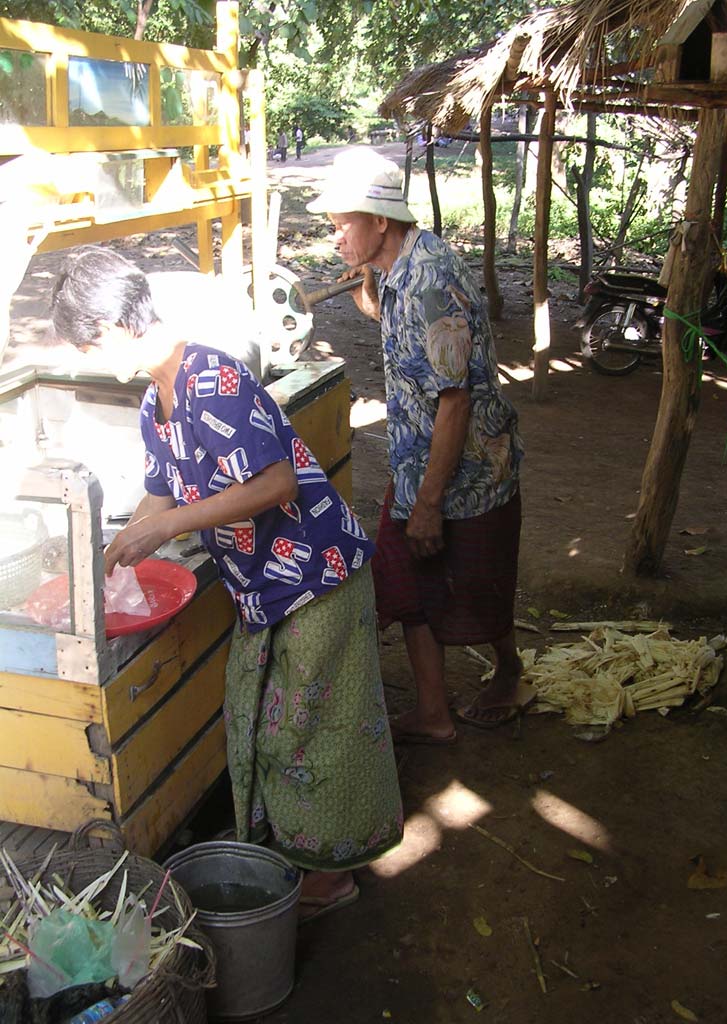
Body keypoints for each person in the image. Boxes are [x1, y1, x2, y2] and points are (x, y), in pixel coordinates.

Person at [50, 247, 403, 919]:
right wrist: (112, 552)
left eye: (88, 341)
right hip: (264, 590)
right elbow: (160, 491)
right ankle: (290, 850)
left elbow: (276, 483)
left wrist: (168, 525)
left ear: (118, 325)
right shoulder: (156, 401)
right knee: (268, 722)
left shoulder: (215, 378)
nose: (88, 356)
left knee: (314, 731)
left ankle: (332, 875)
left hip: (317, 578)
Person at [307, 150, 531, 744]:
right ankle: (434, 714)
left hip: (470, 471)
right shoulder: (398, 267)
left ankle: (510, 671)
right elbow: (399, 328)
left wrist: (429, 504)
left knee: (479, 587)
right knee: (407, 584)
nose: (335, 238)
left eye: (343, 224)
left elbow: (455, 402)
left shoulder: (432, 282)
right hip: (416, 463)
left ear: (381, 220)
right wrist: (371, 288)